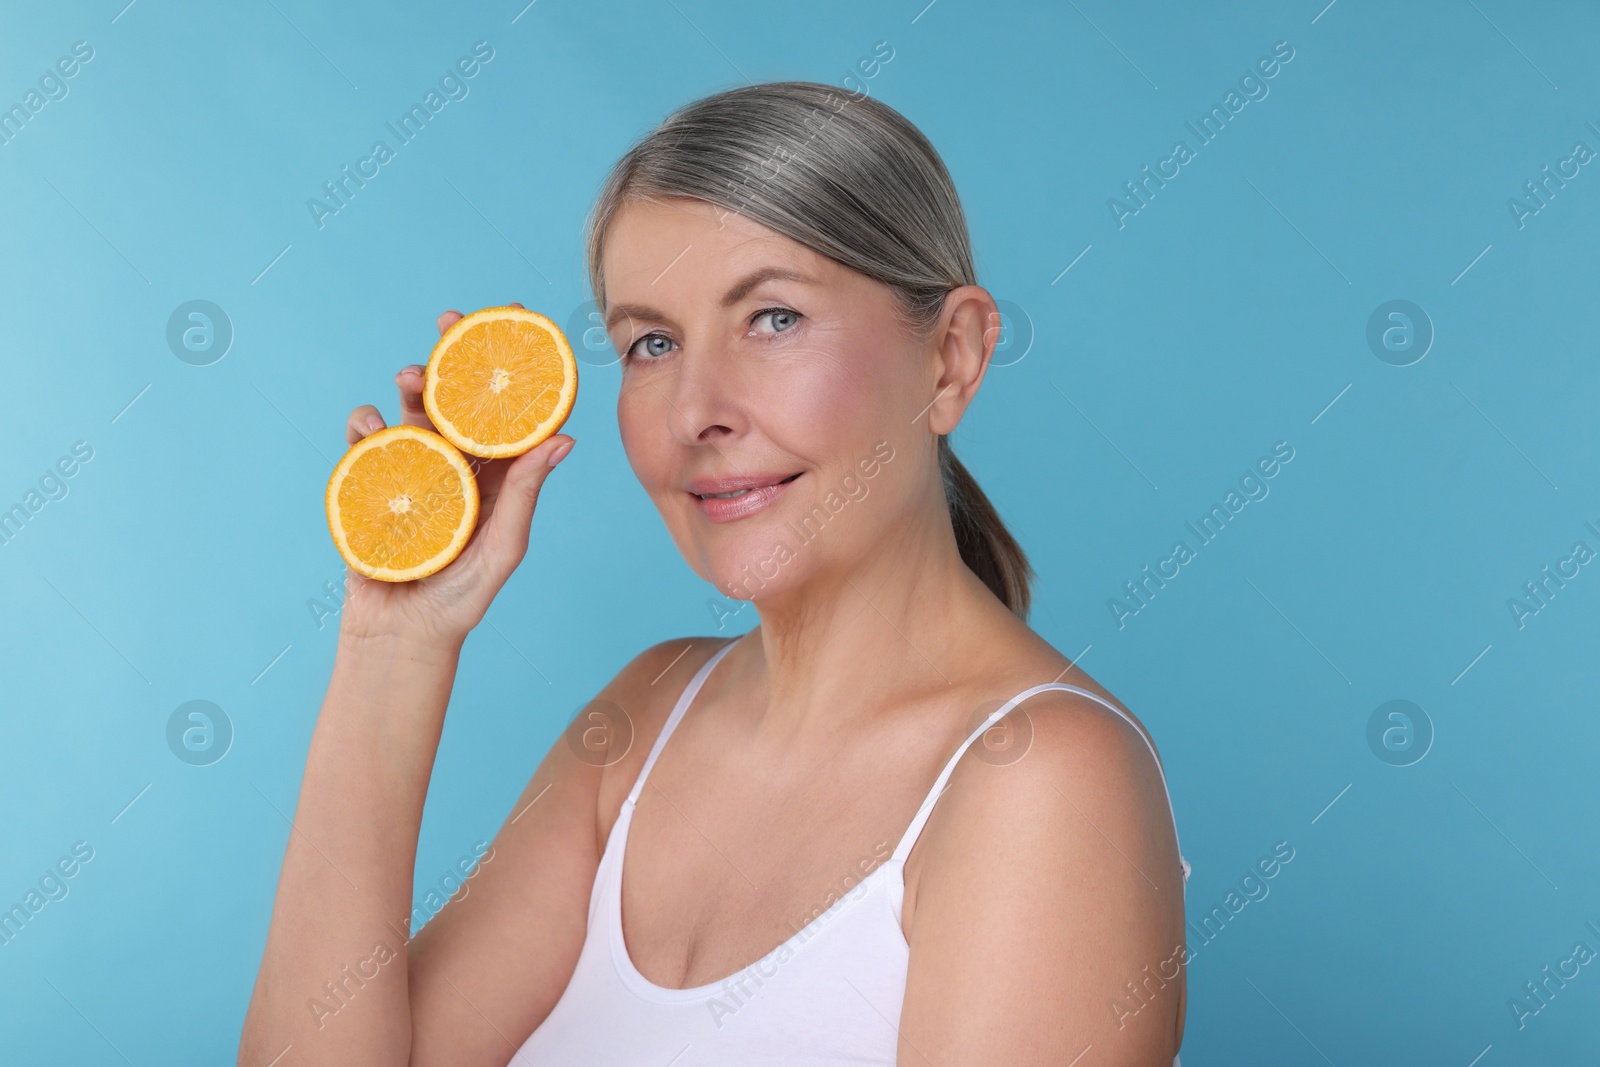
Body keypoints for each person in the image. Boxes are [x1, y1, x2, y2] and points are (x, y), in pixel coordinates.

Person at [239, 79, 1189, 1066]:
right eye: (651, 342)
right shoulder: (645, 715)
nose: (698, 409)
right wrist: (392, 646)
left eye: (772, 318)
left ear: (949, 359)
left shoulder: (1038, 775)